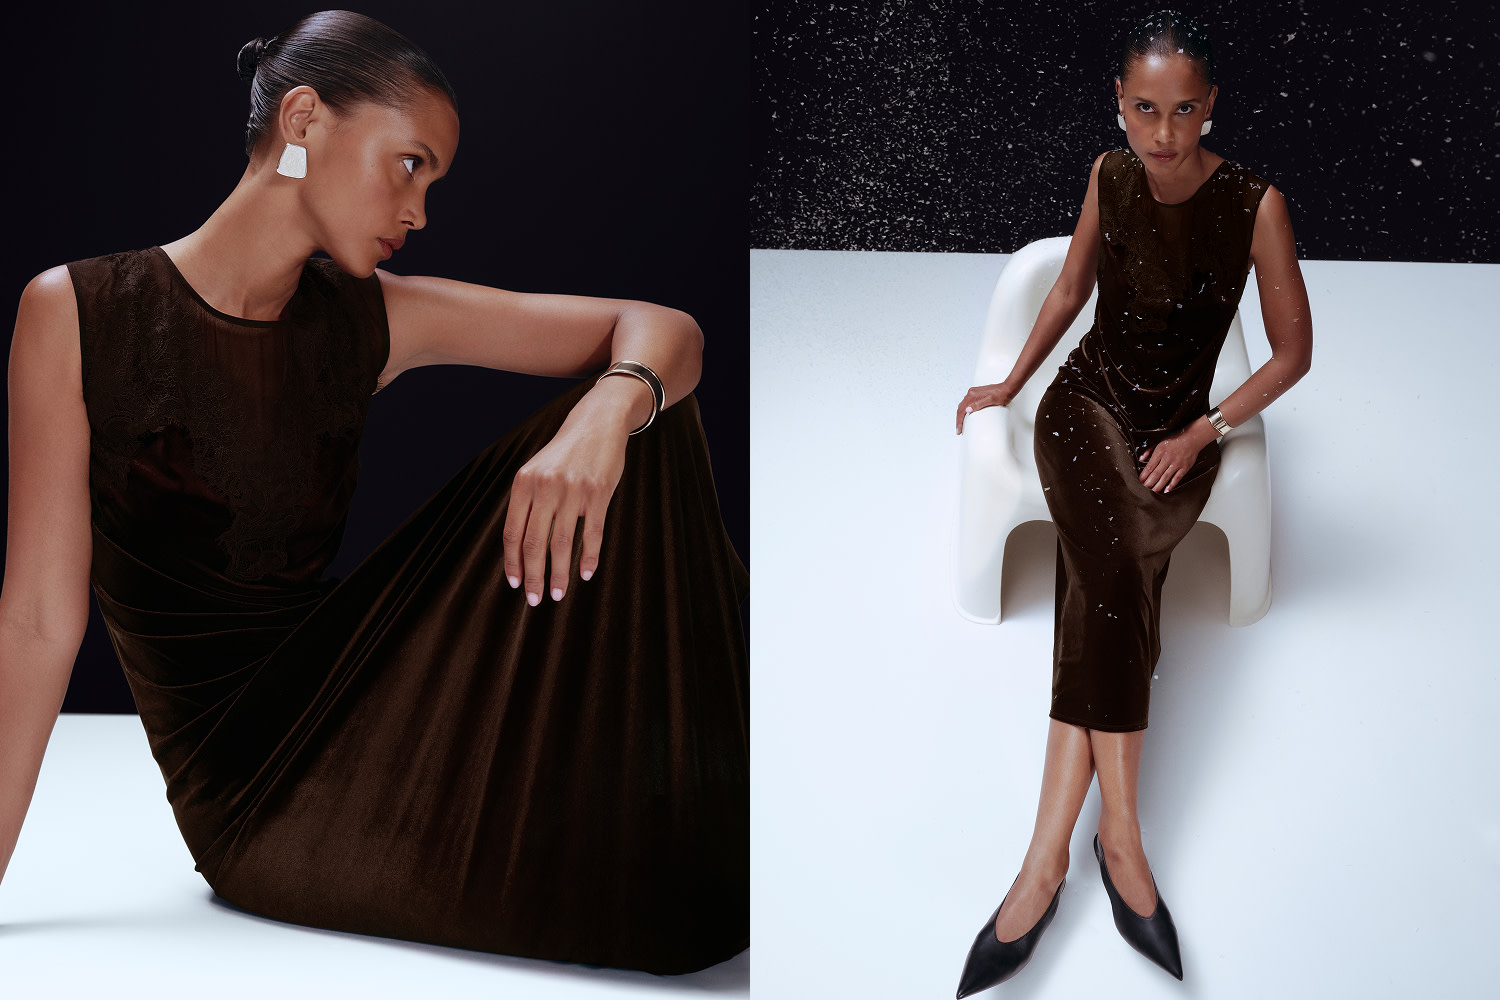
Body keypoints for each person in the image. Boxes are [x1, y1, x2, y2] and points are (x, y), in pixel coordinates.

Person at [0, 10, 747, 976]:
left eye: (433, 181)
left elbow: (662, 326)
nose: (420, 211)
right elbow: (37, 623)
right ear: (305, 120)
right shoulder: (77, 312)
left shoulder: (370, 317)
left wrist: (606, 414)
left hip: (359, 693)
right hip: (253, 795)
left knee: (647, 415)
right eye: (410, 165)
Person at [951, 10, 1312, 993]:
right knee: (1113, 582)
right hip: (1083, 413)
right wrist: (1009, 383)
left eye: (1183, 109)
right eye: (1144, 108)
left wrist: (1205, 431)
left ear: (1211, 107)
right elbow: (1067, 292)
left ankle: (1046, 869)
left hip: (1174, 443)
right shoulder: (1108, 177)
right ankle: (1117, 843)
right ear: (1119, 103)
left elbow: (1292, 353)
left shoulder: (1255, 202)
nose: (1162, 132)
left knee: (1103, 589)